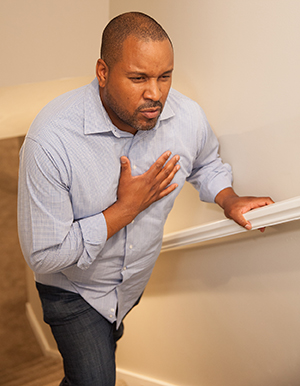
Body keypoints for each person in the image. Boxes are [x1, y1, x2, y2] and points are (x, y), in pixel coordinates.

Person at [18, 11, 273, 386]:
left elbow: (204, 162)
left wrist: (228, 198)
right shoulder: (51, 141)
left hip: (131, 285)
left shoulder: (186, 117)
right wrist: (125, 210)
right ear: (103, 71)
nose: (155, 93)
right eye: (138, 78)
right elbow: (44, 253)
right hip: (75, 292)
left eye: (164, 76)